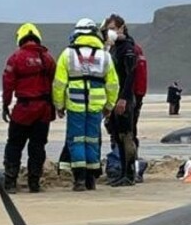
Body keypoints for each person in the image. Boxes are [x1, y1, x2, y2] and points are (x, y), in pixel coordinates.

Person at [53, 19, 119, 191]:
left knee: (76, 141)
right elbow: (113, 84)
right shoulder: (104, 56)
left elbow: (59, 83)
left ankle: (79, 179)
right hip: (96, 106)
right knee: (92, 141)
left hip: (75, 105)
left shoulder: (67, 54)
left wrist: (59, 105)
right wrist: (109, 106)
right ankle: (91, 180)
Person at [1, 22, 56, 193]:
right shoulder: (48, 58)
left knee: (14, 145)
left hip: (24, 108)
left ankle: (10, 182)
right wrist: (55, 106)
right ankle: (34, 183)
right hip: (44, 109)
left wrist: (5, 104)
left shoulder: (16, 58)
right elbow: (55, 84)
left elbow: (8, 84)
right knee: (38, 146)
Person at [102, 15, 140, 187]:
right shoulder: (113, 48)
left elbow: (131, 75)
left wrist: (124, 99)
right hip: (114, 97)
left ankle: (130, 174)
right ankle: (123, 172)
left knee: (126, 136)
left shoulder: (128, 48)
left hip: (125, 98)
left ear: (121, 28)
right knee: (117, 136)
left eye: (112, 28)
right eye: (107, 29)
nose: (109, 32)